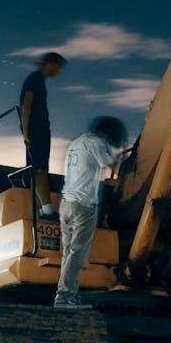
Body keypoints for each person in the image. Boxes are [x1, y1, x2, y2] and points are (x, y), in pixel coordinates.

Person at [54, 116, 127, 309]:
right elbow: (112, 165)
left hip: (66, 204)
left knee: (68, 253)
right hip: (83, 206)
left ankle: (67, 294)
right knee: (78, 253)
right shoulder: (96, 142)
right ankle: (65, 296)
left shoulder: (77, 142)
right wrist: (122, 156)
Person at [19, 51, 66, 219]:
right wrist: (26, 132)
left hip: (36, 129)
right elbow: (26, 104)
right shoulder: (35, 80)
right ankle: (47, 210)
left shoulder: (38, 80)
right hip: (37, 130)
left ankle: (40, 209)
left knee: (35, 170)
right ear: (50, 64)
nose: (58, 72)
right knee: (41, 170)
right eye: (58, 68)